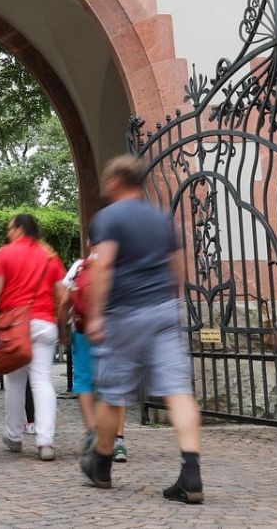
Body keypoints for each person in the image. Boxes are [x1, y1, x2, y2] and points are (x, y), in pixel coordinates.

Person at [82, 156, 203, 504]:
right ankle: (191, 473)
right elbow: (177, 266)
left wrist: (96, 315)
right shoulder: (161, 217)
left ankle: (101, 464)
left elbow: (103, 267)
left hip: (125, 312)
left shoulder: (109, 218)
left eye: (107, 179)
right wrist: (172, 302)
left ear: (119, 180)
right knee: (179, 390)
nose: (105, 187)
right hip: (165, 309)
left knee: (114, 391)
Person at [0, 212, 67, 460]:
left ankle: (14, 435)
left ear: (20, 229)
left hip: (15, 324)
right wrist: (62, 326)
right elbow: (64, 294)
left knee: (14, 381)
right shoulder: (49, 255)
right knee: (42, 380)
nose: (9, 233)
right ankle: (45, 441)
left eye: (11, 228)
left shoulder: (5, 253)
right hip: (44, 322)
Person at [58, 247, 115, 461]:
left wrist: (62, 330)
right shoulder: (117, 264)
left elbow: (64, 301)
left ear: (90, 243)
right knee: (114, 384)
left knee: (83, 382)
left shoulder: (79, 267)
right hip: (113, 330)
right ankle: (118, 440)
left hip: (83, 330)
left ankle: (92, 430)